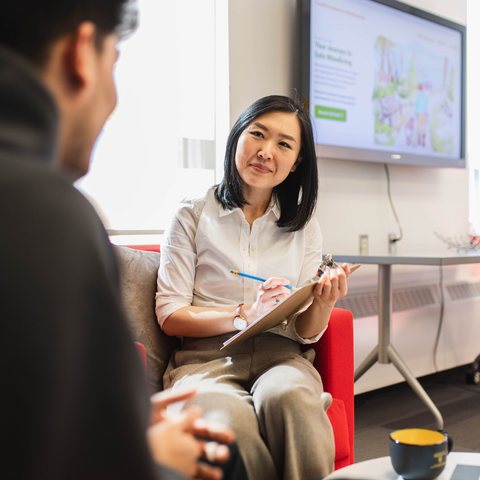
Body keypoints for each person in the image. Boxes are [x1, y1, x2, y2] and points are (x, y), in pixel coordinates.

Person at [0, 1, 245, 479]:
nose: (112, 103)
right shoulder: (47, 215)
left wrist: (120, 425)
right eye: (114, 61)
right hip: (203, 369)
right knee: (218, 454)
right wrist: (148, 454)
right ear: (80, 53)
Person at [156, 95, 351, 480]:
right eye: (257, 134)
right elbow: (170, 314)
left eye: (283, 144)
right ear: (237, 138)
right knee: (229, 421)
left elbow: (304, 332)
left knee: (291, 398)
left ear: (296, 163)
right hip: (206, 361)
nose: (265, 151)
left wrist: (325, 302)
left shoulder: (304, 226)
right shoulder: (191, 215)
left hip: (282, 355)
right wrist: (243, 314)